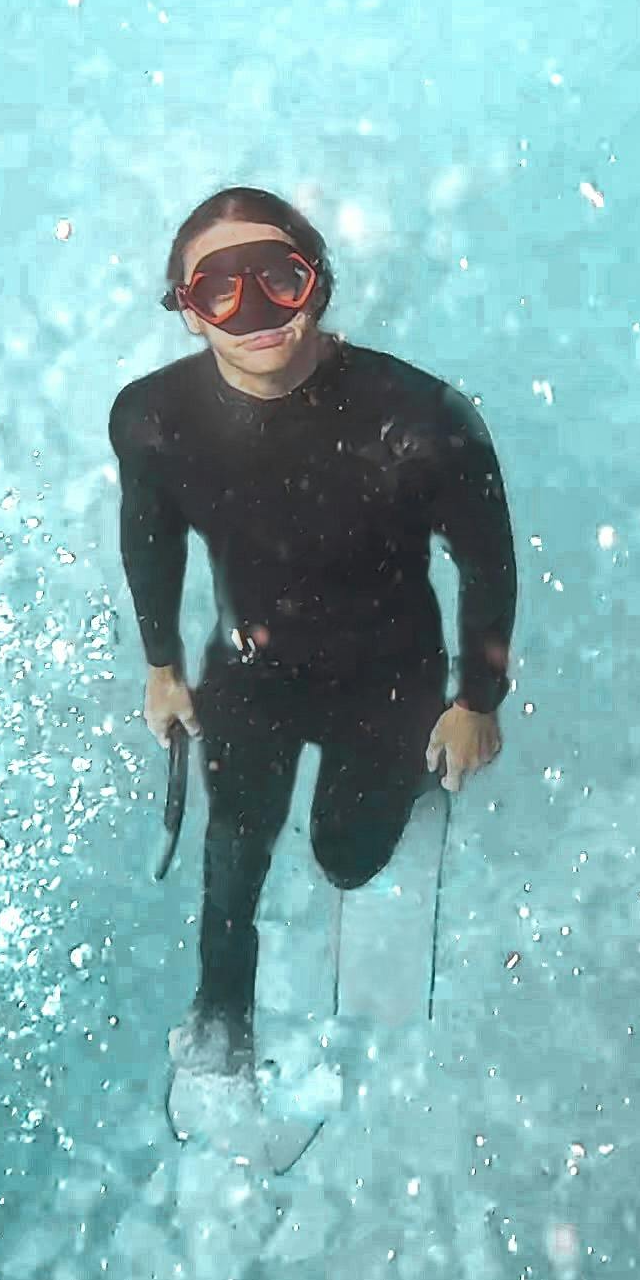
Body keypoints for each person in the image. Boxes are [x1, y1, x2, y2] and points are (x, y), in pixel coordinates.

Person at [109, 185, 517, 1095]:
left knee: (346, 853)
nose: (253, 314)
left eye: (278, 281)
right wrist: (163, 668)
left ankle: (407, 800)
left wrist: (473, 705)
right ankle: (219, 1029)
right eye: (220, 291)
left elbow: (489, 562)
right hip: (251, 669)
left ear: (318, 284)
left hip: (391, 673)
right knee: (233, 854)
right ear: (185, 310)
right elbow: (150, 539)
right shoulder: (153, 419)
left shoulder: (422, 418)